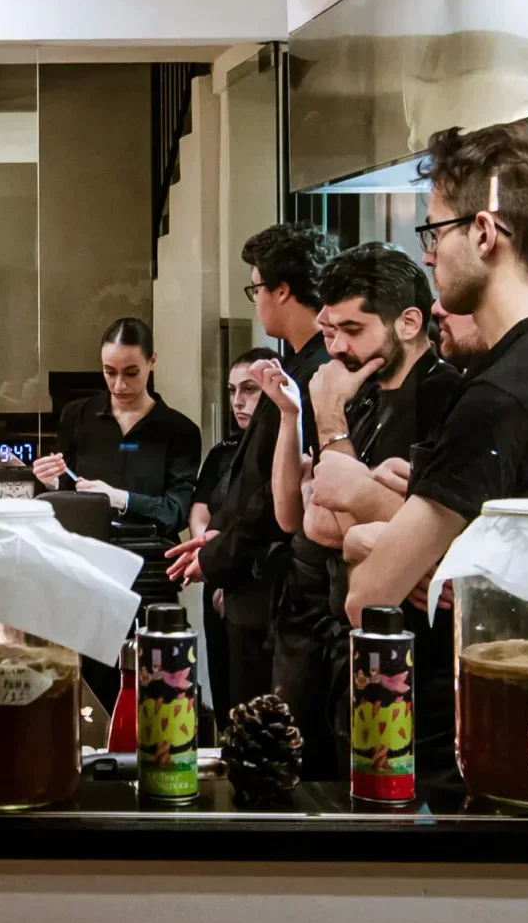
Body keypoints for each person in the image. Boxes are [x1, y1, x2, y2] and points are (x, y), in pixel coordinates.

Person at [261, 243, 463, 779]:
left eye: (354, 330)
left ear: (409, 322)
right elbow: (316, 517)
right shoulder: (365, 396)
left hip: (417, 658)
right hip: (342, 639)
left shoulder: (447, 399)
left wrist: (329, 420)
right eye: (333, 331)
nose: (339, 348)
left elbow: (352, 522)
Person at [347, 121, 528, 625]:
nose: (427, 255)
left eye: (435, 231)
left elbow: (368, 600)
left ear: (484, 233)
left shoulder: (495, 398)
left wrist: (369, 545)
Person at [167, 224, 338, 723]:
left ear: (281, 290)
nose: (256, 299)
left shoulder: (316, 372)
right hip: (255, 577)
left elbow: (276, 496)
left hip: (278, 586)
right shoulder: (297, 363)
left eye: (256, 287)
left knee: (262, 733)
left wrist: (218, 554)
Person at [176, 347, 276, 729]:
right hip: (214, 572)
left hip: (252, 580)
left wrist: (223, 562)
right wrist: (211, 554)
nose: (238, 401)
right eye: (233, 390)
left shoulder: (273, 446)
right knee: (222, 686)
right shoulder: (222, 452)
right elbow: (199, 511)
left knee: (255, 700)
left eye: (249, 390)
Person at [33, 316, 201, 538]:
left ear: (152, 361)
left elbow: (176, 513)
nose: (119, 385)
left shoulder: (180, 430)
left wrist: (119, 499)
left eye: (131, 373)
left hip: (150, 556)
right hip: (85, 550)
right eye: (110, 372)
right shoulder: (77, 415)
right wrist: (52, 482)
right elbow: (67, 486)